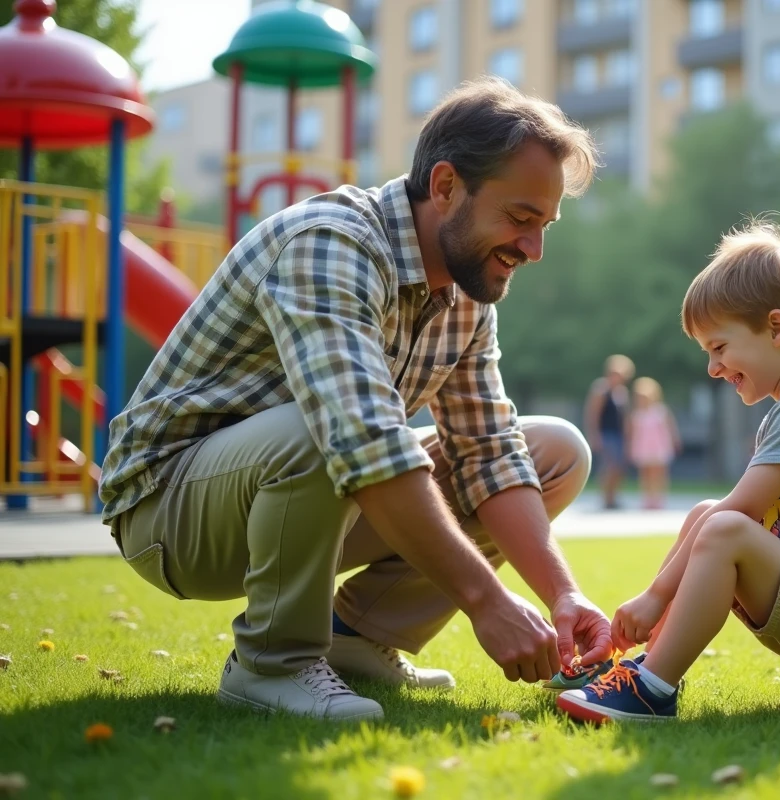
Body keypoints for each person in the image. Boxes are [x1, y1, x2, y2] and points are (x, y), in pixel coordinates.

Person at [99, 78, 613, 721]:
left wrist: (563, 595)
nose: (533, 250)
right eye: (520, 218)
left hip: (305, 492)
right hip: (169, 513)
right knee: (327, 428)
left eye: (545, 225)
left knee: (552, 452)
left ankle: (361, 640)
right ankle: (271, 662)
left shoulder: (465, 287)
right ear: (447, 186)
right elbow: (361, 439)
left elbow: (488, 451)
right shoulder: (330, 243)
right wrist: (487, 601)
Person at [556, 221, 780, 722]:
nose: (714, 369)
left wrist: (656, 595)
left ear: (777, 329)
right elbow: (727, 513)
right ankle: (649, 664)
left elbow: (743, 512)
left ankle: (652, 690)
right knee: (705, 514)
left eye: (719, 348)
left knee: (723, 526)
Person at [584, 354, 635, 510]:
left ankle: (614, 497)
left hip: (619, 435)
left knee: (619, 468)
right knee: (609, 466)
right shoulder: (600, 389)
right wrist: (594, 435)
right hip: (606, 434)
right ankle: (606, 499)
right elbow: (593, 414)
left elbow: (626, 417)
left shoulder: (622, 392)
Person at [627, 377, 681, 510]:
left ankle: (658, 498)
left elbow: (670, 428)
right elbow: (631, 433)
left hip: (659, 447)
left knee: (659, 473)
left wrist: (675, 441)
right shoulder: (636, 414)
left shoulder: (661, 411)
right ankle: (647, 499)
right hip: (643, 447)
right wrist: (629, 447)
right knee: (645, 474)